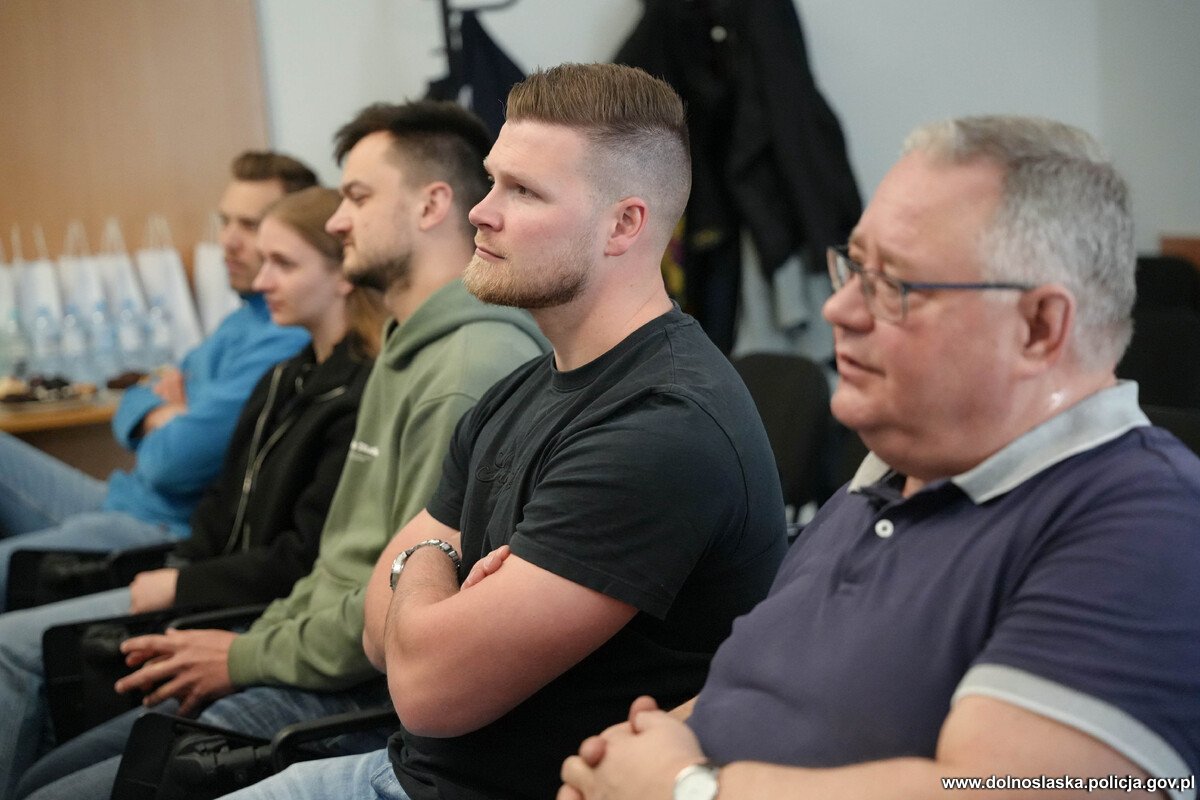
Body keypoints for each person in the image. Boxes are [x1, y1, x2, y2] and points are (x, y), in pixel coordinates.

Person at [558, 116, 1200, 800]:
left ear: (1039, 327)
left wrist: (688, 789)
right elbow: (750, 699)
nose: (839, 309)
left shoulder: (1145, 522)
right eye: (855, 266)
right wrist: (625, 763)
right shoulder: (882, 481)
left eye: (895, 286)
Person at [221, 61, 788, 800]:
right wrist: (440, 572)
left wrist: (424, 559)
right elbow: (376, 633)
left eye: (523, 191)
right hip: (408, 772)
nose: (480, 213)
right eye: (492, 182)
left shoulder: (660, 427)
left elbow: (424, 689)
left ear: (623, 225)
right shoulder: (523, 387)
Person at [17, 100, 548, 800]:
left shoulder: (465, 370)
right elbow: (337, 567)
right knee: (49, 769)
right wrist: (252, 640)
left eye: (357, 196)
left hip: (355, 692)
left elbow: (400, 612)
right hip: (305, 651)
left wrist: (245, 654)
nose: (337, 219)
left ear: (431, 205)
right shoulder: (404, 348)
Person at [0, 185, 386, 800]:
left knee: (31, 711)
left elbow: (298, 557)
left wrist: (180, 586)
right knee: (48, 770)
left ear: (343, 274)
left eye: (282, 263)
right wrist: (180, 570)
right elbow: (219, 500)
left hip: (248, 609)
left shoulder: (359, 392)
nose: (261, 280)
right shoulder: (284, 376)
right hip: (208, 583)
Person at [0, 152, 316, 608]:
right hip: (122, 496)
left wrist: (170, 418)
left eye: (250, 225)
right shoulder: (242, 318)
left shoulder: (284, 336)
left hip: (158, 527)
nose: (228, 240)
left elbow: (175, 463)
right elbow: (137, 395)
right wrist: (169, 415)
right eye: (225, 221)